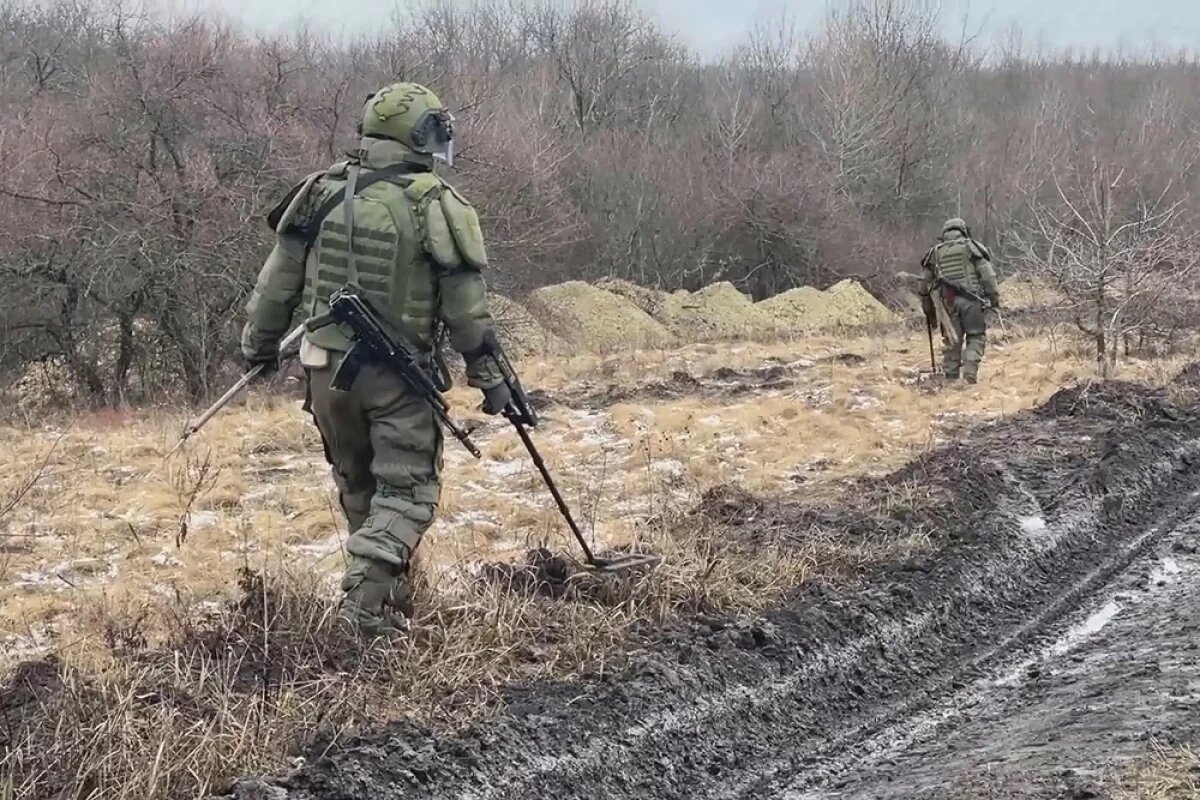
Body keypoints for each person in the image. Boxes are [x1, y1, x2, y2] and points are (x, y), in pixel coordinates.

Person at [240, 82, 511, 637]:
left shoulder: (321, 193)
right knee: (408, 492)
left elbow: (275, 287)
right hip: (395, 378)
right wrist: (490, 379)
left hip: (323, 373)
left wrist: (258, 349)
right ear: (419, 134)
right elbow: (467, 312)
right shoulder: (436, 203)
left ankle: (389, 603)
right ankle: (361, 614)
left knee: (361, 489)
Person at [919, 217, 1000, 384]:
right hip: (972, 301)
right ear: (963, 231)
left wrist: (929, 311)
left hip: (947, 304)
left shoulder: (935, 253)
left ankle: (950, 378)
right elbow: (988, 276)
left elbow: (923, 286)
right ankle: (970, 375)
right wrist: (994, 298)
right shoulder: (972, 247)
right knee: (976, 336)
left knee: (951, 340)